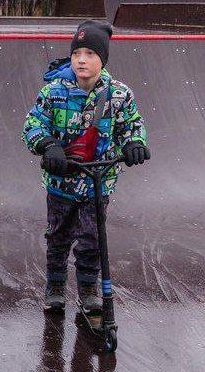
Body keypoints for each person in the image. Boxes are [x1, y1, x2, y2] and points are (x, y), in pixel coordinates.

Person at [21, 20, 149, 316]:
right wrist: (47, 144)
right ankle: (54, 286)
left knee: (91, 238)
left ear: (102, 59)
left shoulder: (119, 95)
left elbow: (132, 124)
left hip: (97, 181)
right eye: (77, 52)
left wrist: (134, 143)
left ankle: (89, 289)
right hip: (61, 181)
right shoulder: (54, 91)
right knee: (58, 236)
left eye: (90, 53)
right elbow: (33, 124)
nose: (81, 59)